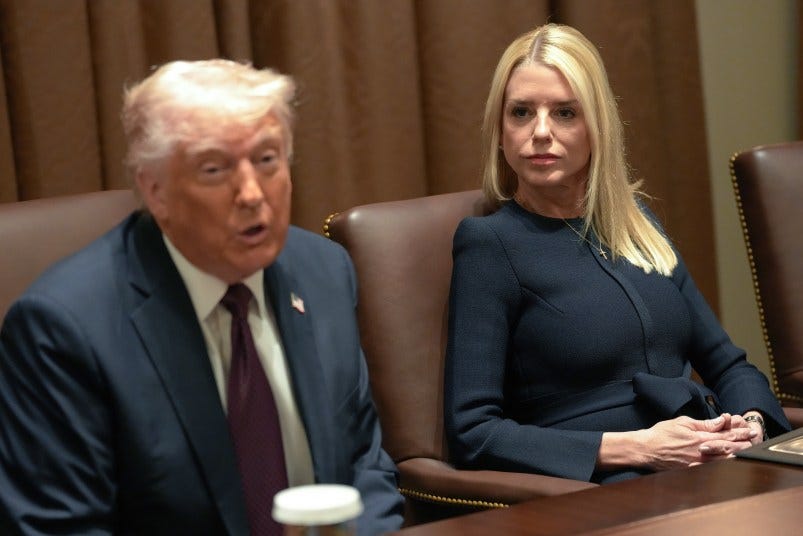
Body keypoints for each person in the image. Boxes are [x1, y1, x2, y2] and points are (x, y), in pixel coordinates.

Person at [0, 59, 403, 535]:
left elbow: (363, 466)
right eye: (214, 169)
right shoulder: (65, 329)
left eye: (267, 160)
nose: (252, 193)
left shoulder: (323, 272)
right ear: (156, 192)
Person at [443, 24, 791, 485]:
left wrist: (751, 425)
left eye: (565, 112)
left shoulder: (636, 222)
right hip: (606, 485)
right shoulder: (488, 244)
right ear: (500, 131)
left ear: (597, 126)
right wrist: (639, 447)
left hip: (707, 460)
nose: (541, 132)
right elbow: (473, 432)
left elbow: (728, 365)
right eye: (521, 112)